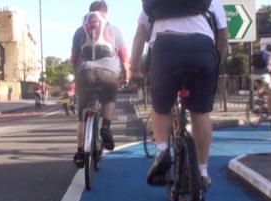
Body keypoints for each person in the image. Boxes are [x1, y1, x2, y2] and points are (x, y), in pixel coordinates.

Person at [129, 0, 228, 188]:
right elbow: (223, 37)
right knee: (200, 112)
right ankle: (202, 171)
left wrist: (133, 68)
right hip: (201, 49)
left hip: (166, 48)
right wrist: (216, 65)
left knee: (161, 107)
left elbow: (140, 34)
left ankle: (162, 151)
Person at [71, 1, 129, 168]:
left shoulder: (80, 31)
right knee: (110, 98)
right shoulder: (114, 30)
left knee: (82, 116)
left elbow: (74, 58)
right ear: (105, 12)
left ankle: (81, 152)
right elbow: (124, 57)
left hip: (85, 73)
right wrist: (125, 75)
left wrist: (77, 74)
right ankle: (106, 127)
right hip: (108, 74)